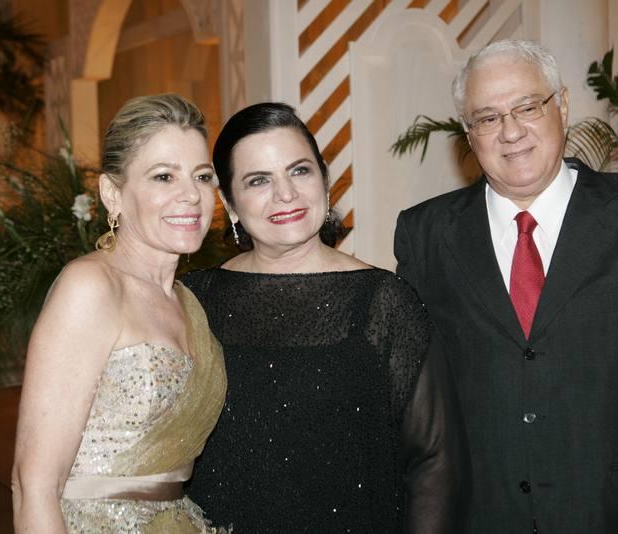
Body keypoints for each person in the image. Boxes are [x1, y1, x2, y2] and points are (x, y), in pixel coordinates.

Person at [394, 39, 618, 534]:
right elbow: (413, 403)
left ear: (563, 106)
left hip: (617, 517)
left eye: (527, 107)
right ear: (469, 134)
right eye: (487, 118)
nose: (511, 131)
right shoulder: (425, 233)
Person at [183, 102, 470, 533]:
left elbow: (436, 462)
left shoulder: (384, 303)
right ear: (230, 203)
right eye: (259, 180)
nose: (285, 194)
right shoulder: (193, 300)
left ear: (325, 180)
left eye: (299, 171)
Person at [11, 93, 227, 533]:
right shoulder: (91, 288)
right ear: (113, 194)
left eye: (202, 176)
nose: (191, 194)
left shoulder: (190, 303)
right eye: (163, 176)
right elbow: (33, 485)